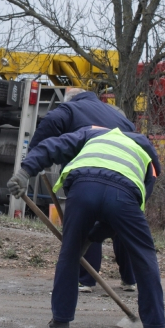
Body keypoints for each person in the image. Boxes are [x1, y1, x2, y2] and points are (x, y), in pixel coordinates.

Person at [7, 126, 165, 328]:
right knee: (144, 255)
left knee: (70, 252)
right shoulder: (146, 151)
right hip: (122, 194)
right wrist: (98, 233)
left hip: (83, 187)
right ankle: (154, 327)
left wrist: (24, 172)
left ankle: (60, 320)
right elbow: (137, 200)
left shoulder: (92, 134)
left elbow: (53, 146)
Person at [29, 87, 137, 293]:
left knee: (86, 222)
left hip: (87, 176)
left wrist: (31, 162)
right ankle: (130, 279)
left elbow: (47, 128)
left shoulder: (70, 109)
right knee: (121, 226)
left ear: (70, 100)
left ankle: (86, 280)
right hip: (125, 177)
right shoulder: (117, 116)